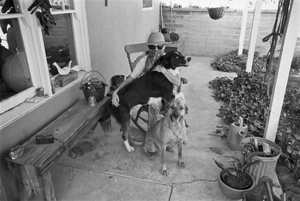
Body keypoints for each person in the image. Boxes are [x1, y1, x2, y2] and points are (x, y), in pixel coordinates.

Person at [112, 32, 181, 108]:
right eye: (152, 47)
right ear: (148, 47)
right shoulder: (144, 61)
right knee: (153, 105)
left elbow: (177, 82)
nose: (156, 49)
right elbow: (130, 79)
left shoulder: (170, 60)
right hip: (150, 93)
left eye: (159, 47)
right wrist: (116, 91)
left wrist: (163, 70)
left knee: (179, 106)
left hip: (167, 93)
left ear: (164, 47)